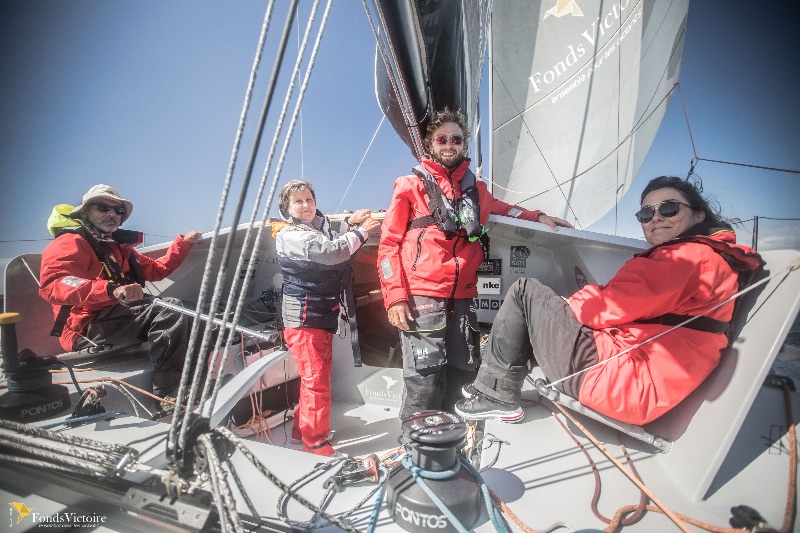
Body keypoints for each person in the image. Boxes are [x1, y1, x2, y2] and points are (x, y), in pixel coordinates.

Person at [455, 176, 764, 425]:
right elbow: (623, 304)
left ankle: (495, 395)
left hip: (626, 383)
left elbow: (599, 309)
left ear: (698, 214)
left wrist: (571, 302)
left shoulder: (685, 258)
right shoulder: (707, 257)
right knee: (549, 308)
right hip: (642, 379)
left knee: (525, 291)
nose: (655, 218)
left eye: (668, 209)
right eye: (646, 213)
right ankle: (498, 383)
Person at [377, 108, 573, 420]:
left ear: (463, 144)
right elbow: (388, 246)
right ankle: (418, 449)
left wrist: (538, 217)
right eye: (442, 139)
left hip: (463, 298)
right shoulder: (408, 186)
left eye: (456, 139)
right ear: (431, 144)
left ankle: (455, 440)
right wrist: (395, 297)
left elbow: (506, 210)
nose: (449, 144)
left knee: (463, 370)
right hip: (421, 296)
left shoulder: (477, 191)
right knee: (424, 377)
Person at [39, 184, 203, 405]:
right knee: (169, 310)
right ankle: (168, 393)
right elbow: (55, 282)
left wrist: (183, 244)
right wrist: (110, 289)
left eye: (118, 211)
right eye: (103, 207)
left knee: (191, 310)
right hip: (86, 327)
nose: (112, 214)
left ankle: (194, 382)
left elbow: (156, 270)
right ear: (86, 211)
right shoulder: (71, 242)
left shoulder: (119, 248)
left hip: (117, 318)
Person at [273, 179, 380, 457]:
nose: (306, 205)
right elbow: (332, 252)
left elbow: (328, 239)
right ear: (287, 209)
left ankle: (301, 431)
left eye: (309, 199)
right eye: (299, 202)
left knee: (315, 379)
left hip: (319, 318)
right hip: (304, 321)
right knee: (316, 382)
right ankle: (315, 444)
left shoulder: (314, 230)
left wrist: (348, 224)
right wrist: (362, 232)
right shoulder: (290, 235)